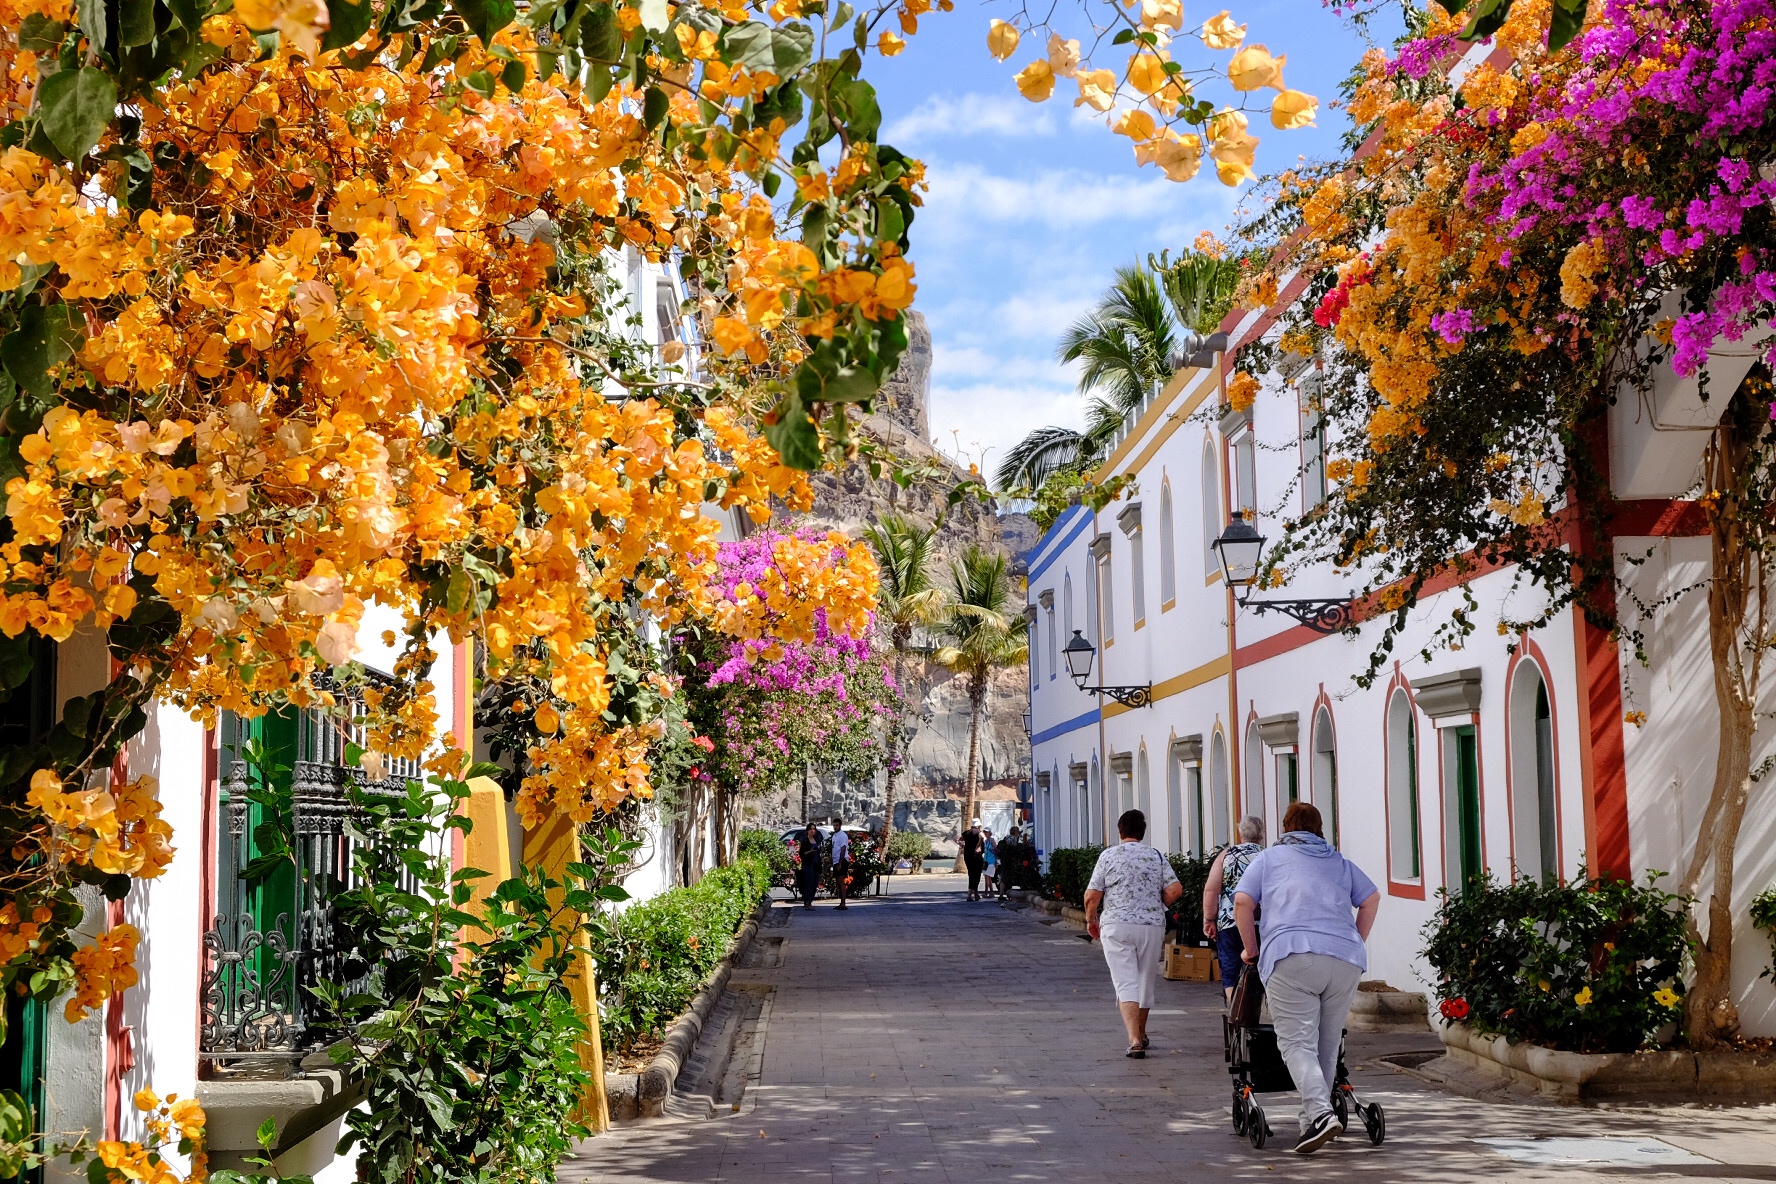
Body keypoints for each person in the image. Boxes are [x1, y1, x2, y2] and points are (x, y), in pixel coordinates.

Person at [1234, 802, 1380, 1156]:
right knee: (1327, 1043)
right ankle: (1310, 1121)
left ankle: (1319, 1114)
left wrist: (1251, 949)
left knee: (1296, 1042)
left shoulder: (1268, 859)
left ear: (1286, 827)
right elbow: (1371, 898)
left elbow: (1242, 902)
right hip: (1344, 957)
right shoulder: (1339, 861)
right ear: (1319, 828)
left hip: (1291, 954)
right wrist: (1354, 940)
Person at [1084, 809, 1184, 1059]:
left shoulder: (1108, 856)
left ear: (1120, 831)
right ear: (1142, 832)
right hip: (1150, 925)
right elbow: (1175, 889)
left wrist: (1091, 920)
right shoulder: (1155, 856)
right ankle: (1142, 1031)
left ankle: (1134, 1039)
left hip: (1117, 924)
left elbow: (1092, 896)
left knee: (1125, 981)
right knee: (1145, 980)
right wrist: (1156, 903)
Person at [1203, 815, 1266, 1002]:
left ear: (1240, 833)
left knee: (1230, 968)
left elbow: (1211, 890)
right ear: (1261, 834)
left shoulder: (1227, 855)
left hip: (1231, 920)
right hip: (1263, 922)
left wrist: (1209, 919)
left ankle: (1235, 1011)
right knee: (1264, 966)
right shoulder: (1268, 855)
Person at [793, 822, 824, 909]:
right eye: (810, 829)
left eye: (814, 829)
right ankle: (807, 902)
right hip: (808, 865)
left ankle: (809, 901)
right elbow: (802, 853)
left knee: (814, 883)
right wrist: (810, 852)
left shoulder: (816, 840)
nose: (812, 831)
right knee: (808, 883)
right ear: (807, 831)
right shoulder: (805, 841)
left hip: (816, 864)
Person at [959, 819, 986, 901]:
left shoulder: (966, 833)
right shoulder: (979, 833)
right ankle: (969, 895)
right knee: (976, 875)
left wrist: (962, 846)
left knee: (971, 874)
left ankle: (976, 894)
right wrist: (978, 845)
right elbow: (985, 839)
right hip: (976, 856)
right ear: (978, 826)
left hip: (967, 856)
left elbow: (957, 839)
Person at [829, 819, 852, 911]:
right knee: (838, 882)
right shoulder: (835, 836)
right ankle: (841, 902)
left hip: (841, 861)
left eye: (837, 825)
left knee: (841, 882)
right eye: (834, 825)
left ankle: (843, 903)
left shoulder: (842, 836)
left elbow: (843, 849)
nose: (835, 827)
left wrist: (840, 863)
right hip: (835, 861)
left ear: (840, 825)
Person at [981, 828, 998, 895]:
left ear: (989, 833)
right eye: (984, 832)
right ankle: (991, 891)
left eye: (987, 832)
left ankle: (986, 891)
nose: (985, 833)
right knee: (988, 877)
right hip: (986, 861)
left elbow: (996, 851)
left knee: (987, 876)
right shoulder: (985, 841)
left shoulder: (992, 840)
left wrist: (996, 861)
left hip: (992, 861)